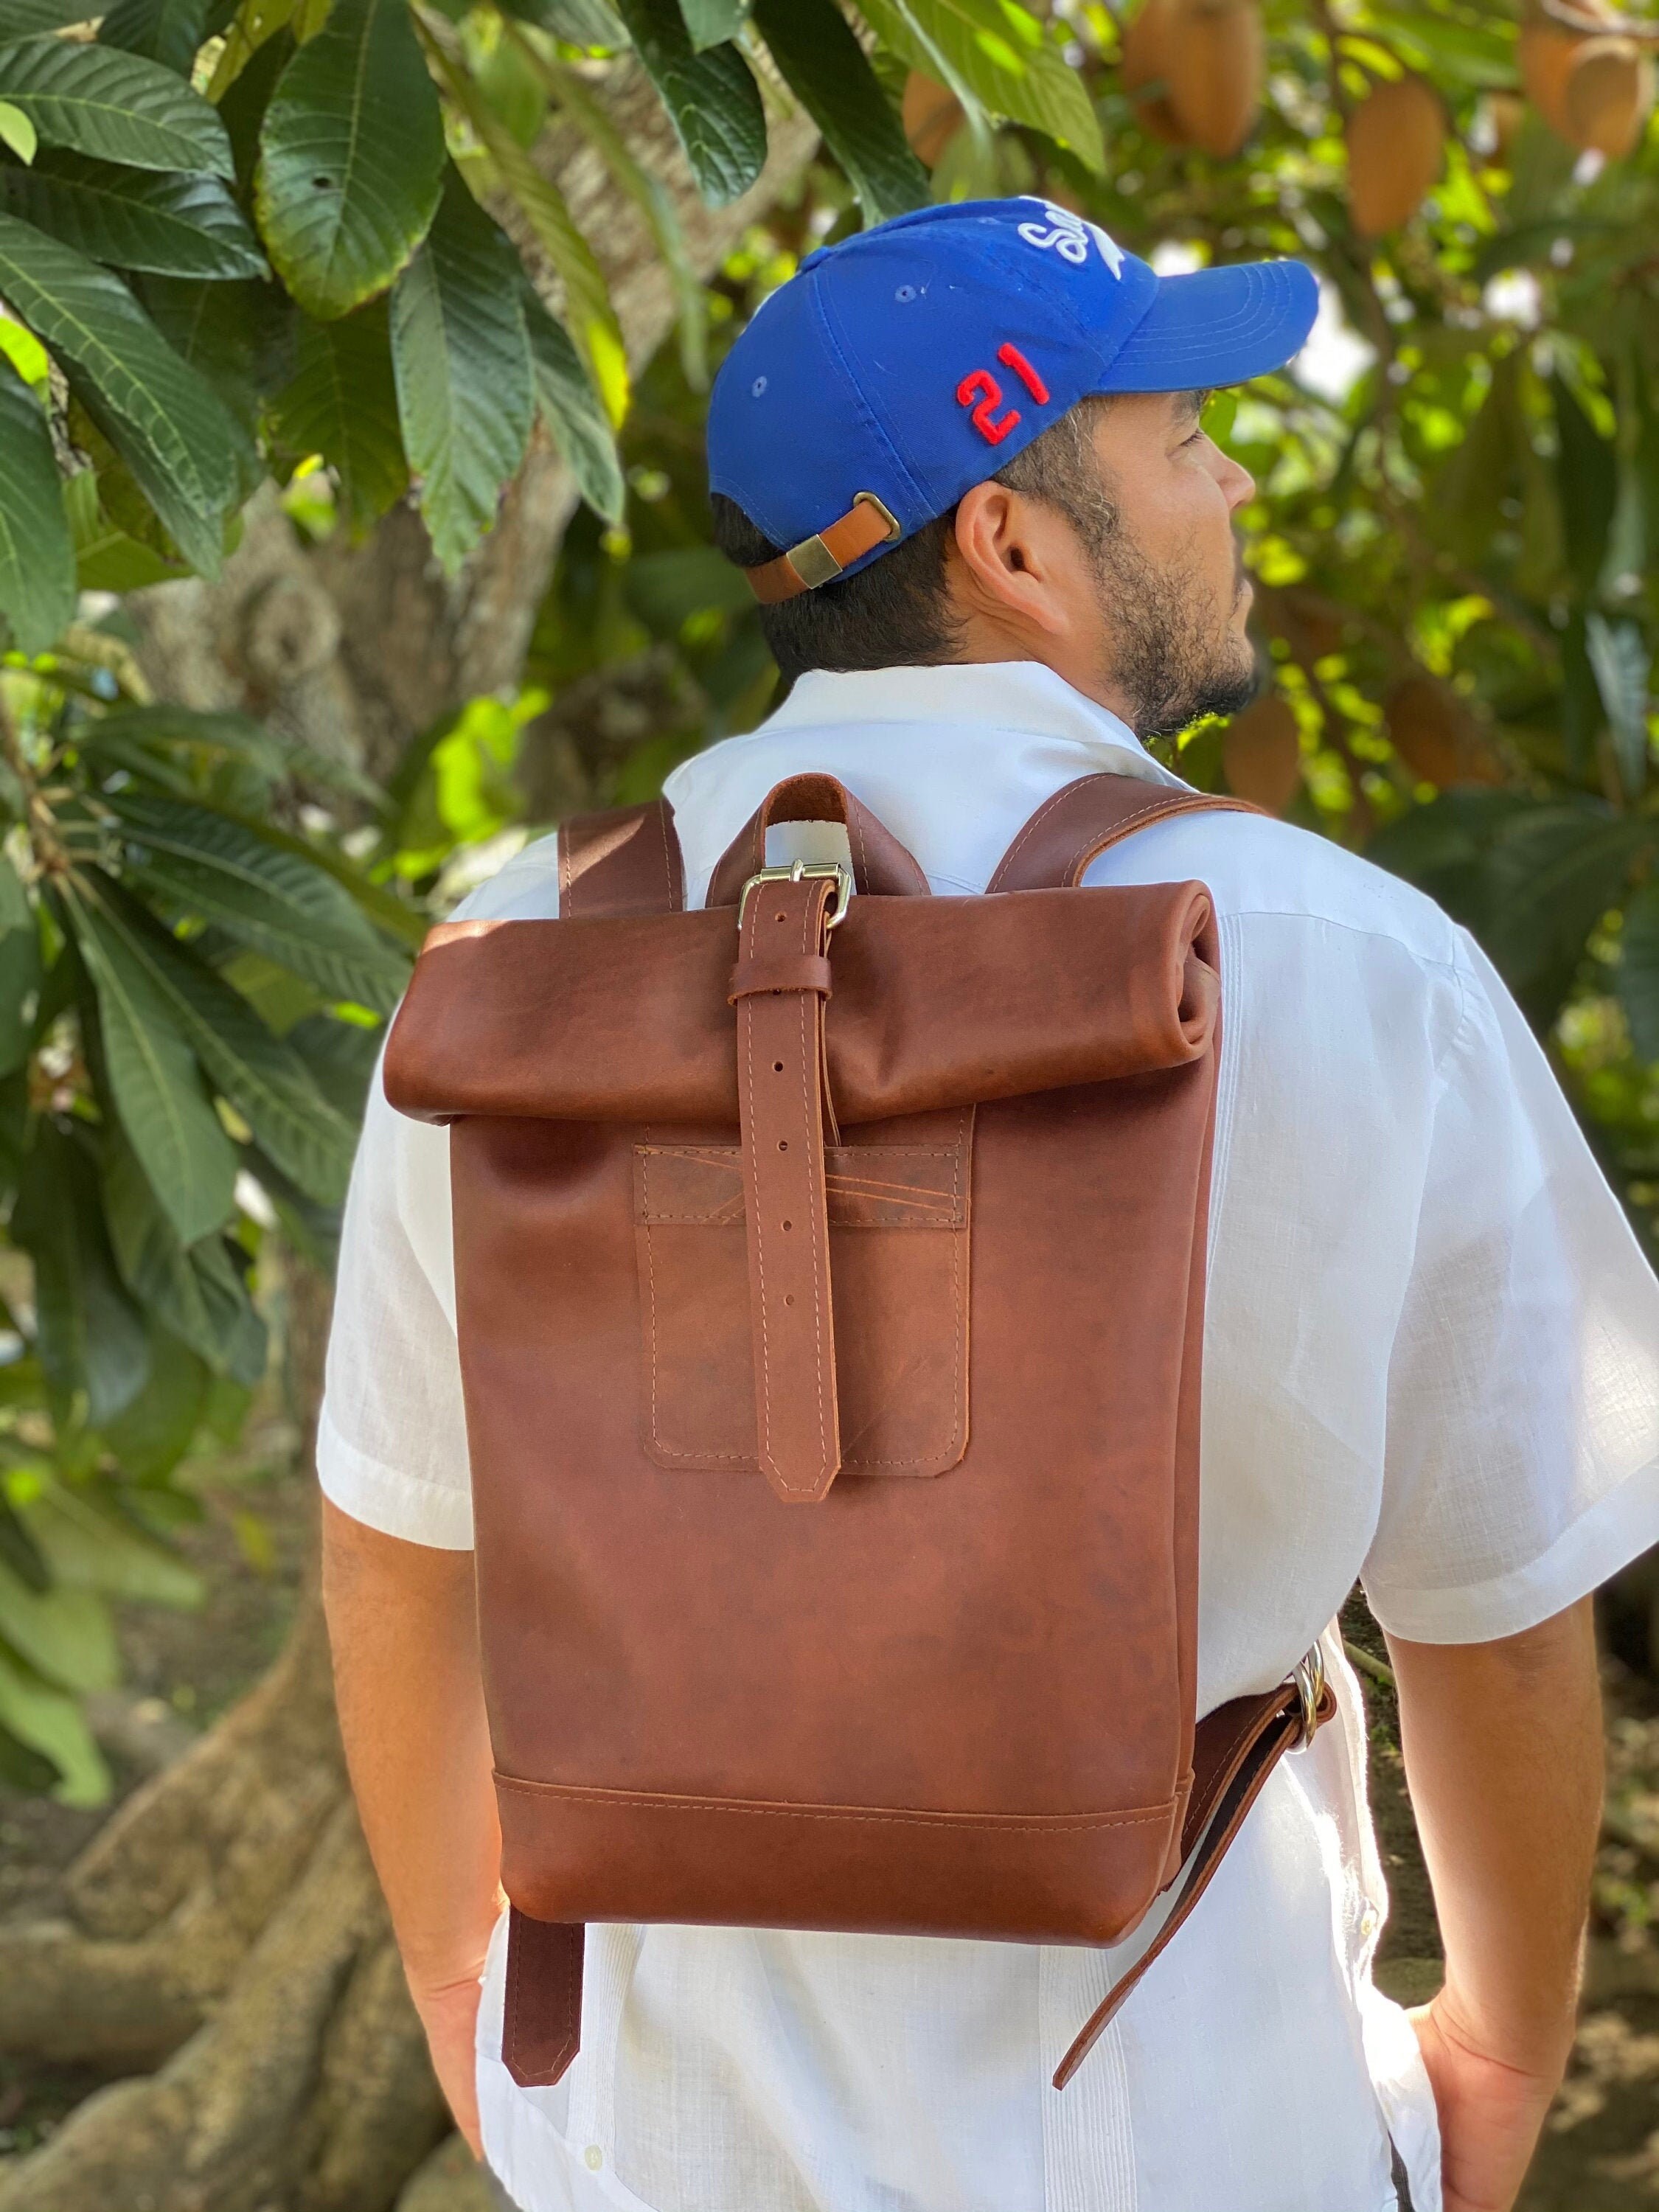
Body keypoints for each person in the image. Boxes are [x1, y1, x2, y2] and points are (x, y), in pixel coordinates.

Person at [319, 199, 1659, 2212]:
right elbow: (1494, 1623)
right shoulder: (1353, 959)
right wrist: (1493, 2053)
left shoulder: (515, 960)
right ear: (1008, 540)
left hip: (657, 2135)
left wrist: (456, 1978)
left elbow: (399, 1555)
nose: (1228, 486)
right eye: (1179, 438)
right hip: (1206, 2127)